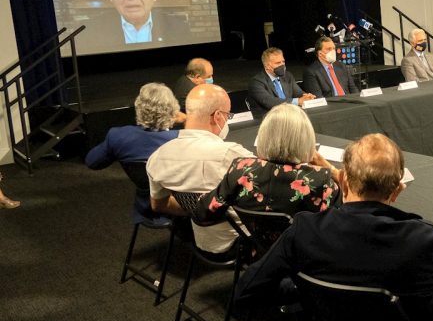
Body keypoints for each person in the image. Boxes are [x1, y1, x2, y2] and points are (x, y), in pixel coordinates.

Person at [234, 133, 433, 321]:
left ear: (342, 181)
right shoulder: (421, 240)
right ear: (397, 191)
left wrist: (304, 289)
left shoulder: (303, 231)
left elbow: (246, 290)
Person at [194, 103, 339, 240]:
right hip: (306, 261)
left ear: (263, 136)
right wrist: (331, 169)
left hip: (260, 257)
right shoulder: (321, 181)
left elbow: (203, 212)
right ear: (307, 140)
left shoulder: (241, 169)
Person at [147, 84, 253, 256]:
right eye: (228, 115)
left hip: (199, 242)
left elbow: (158, 204)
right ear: (217, 116)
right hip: (244, 244)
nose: (227, 120)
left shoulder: (158, 157)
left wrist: (197, 208)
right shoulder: (230, 154)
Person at [86, 82, 179, 223]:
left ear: (138, 109)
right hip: (178, 208)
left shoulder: (118, 136)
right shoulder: (180, 140)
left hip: (144, 208)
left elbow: (92, 162)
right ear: (172, 111)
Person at [246, 48, 315, 118]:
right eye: (278, 63)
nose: (282, 65)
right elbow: (270, 102)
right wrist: (298, 101)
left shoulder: (287, 75)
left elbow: (298, 93)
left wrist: (307, 96)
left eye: (283, 62)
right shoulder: (256, 82)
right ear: (267, 66)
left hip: (289, 115)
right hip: (267, 118)